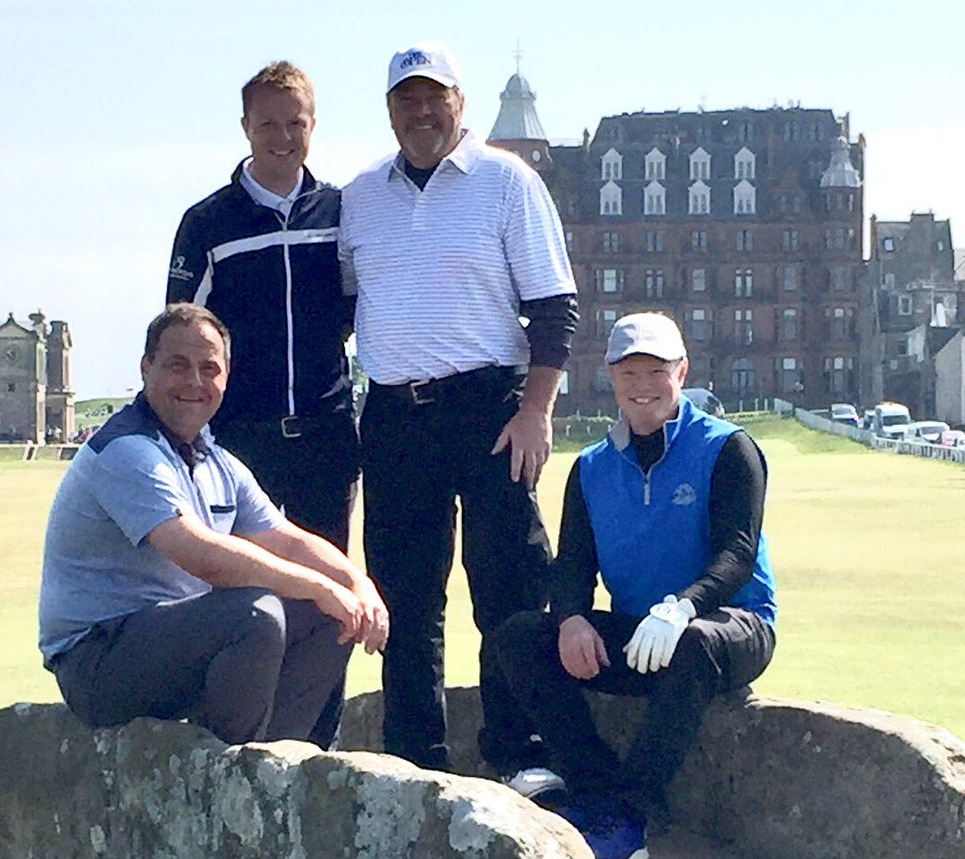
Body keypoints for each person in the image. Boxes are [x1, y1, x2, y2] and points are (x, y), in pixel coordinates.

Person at [338, 42, 579, 774]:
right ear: (389, 112)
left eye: (433, 96)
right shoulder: (360, 196)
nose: (420, 111)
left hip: (491, 409)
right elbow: (345, 306)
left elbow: (554, 307)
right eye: (406, 100)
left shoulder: (507, 181)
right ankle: (416, 763)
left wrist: (536, 411)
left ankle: (517, 755)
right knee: (405, 602)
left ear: (459, 103)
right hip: (393, 416)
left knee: (507, 589)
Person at [38, 304, 388, 748]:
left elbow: (285, 538)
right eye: (178, 366)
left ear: (226, 376)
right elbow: (201, 556)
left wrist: (355, 584)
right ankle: (224, 777)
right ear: (147, 368)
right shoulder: (126, 449)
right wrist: (318, 585)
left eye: (209, 368)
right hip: (97, 660)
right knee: (255, 615)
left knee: (333, 615)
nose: (195, 383)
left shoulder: (214, 459)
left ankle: (270, 764)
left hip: (175, 643)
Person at [495, 313, 778, 859]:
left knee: (698, 643)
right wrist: (572, 616)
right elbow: (574, 563)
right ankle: (593, 786)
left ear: (682, 371)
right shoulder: (592, 467)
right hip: (640, 635)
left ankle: (633, 810)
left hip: (727, 628)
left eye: (657, 371)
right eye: (629, 373)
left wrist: (683, 610)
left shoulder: (729, 449)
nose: (643, 386)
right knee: (521, 636)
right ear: (610, 377)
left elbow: (736, 556)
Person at [166, 61, 355, 552]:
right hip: (240, 439)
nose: (283, 136)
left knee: (328, 596)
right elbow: (180, 330)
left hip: (325, 435)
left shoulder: (342, 211)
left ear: (313, 125)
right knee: (244, 593)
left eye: (296, 123)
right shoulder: (207, 221)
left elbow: (363, 308)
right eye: (267, 124)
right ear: (246, 127)